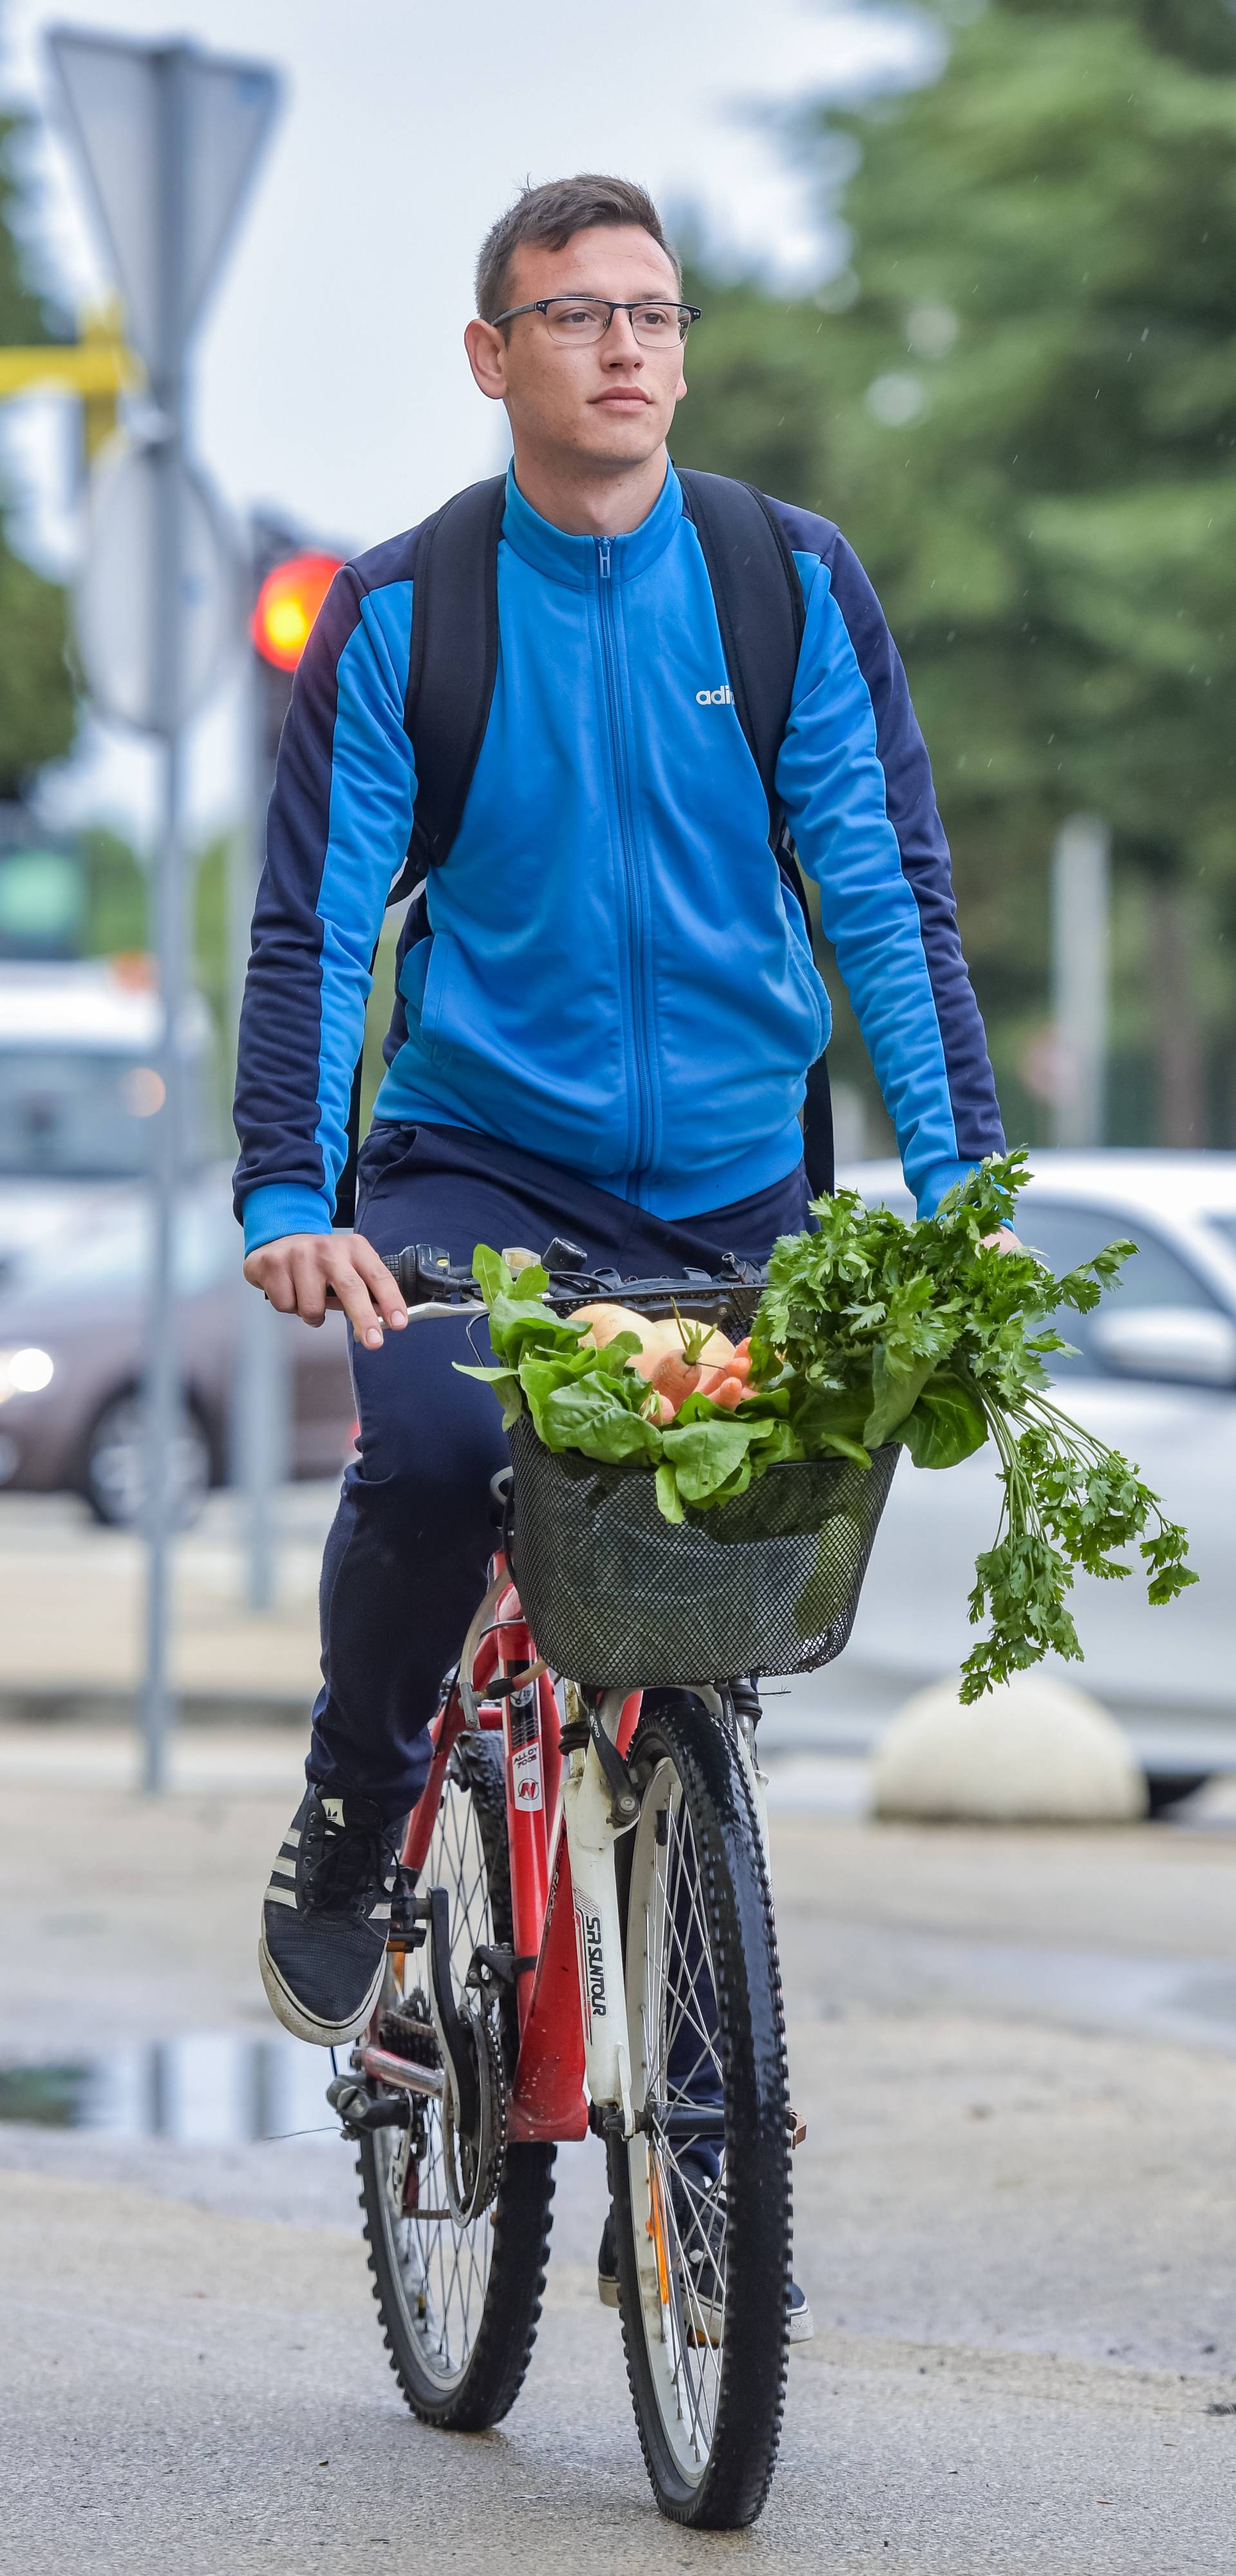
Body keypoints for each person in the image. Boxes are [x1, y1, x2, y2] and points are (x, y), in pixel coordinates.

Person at [234, 174, 1007, 2326]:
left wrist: (961, 1193)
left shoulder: (786, 585)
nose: (626, 347)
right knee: (417, 1458)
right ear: (496, 359)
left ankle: (687, 2058)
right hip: (482, 1171)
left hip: (748, 1180)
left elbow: (888, 897)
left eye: (653, 311)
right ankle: (359, 1799)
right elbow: (318, 928)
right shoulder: (407, 618)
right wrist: (293, 1200)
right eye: (575, 314)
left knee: (720, 1579)